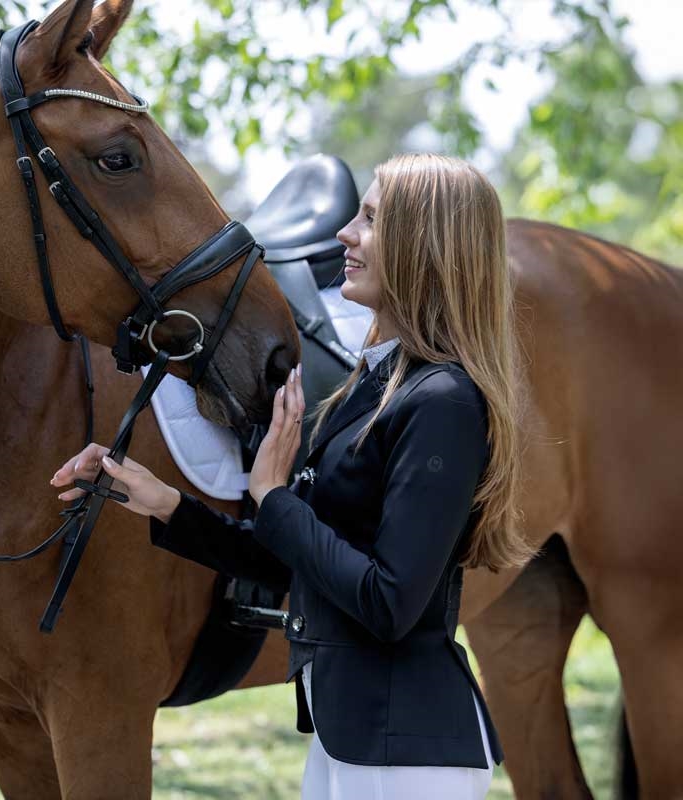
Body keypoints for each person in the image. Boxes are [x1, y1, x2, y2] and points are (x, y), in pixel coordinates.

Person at [51, 152, 531, 799]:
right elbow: (300, 566)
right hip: (350, 738)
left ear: (423, 244)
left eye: (369, 220)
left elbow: (387, 604)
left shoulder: (443, 402)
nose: (344, 237)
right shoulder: (375, 387)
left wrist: (274, 498)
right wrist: (162, 502)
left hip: (406, 750)